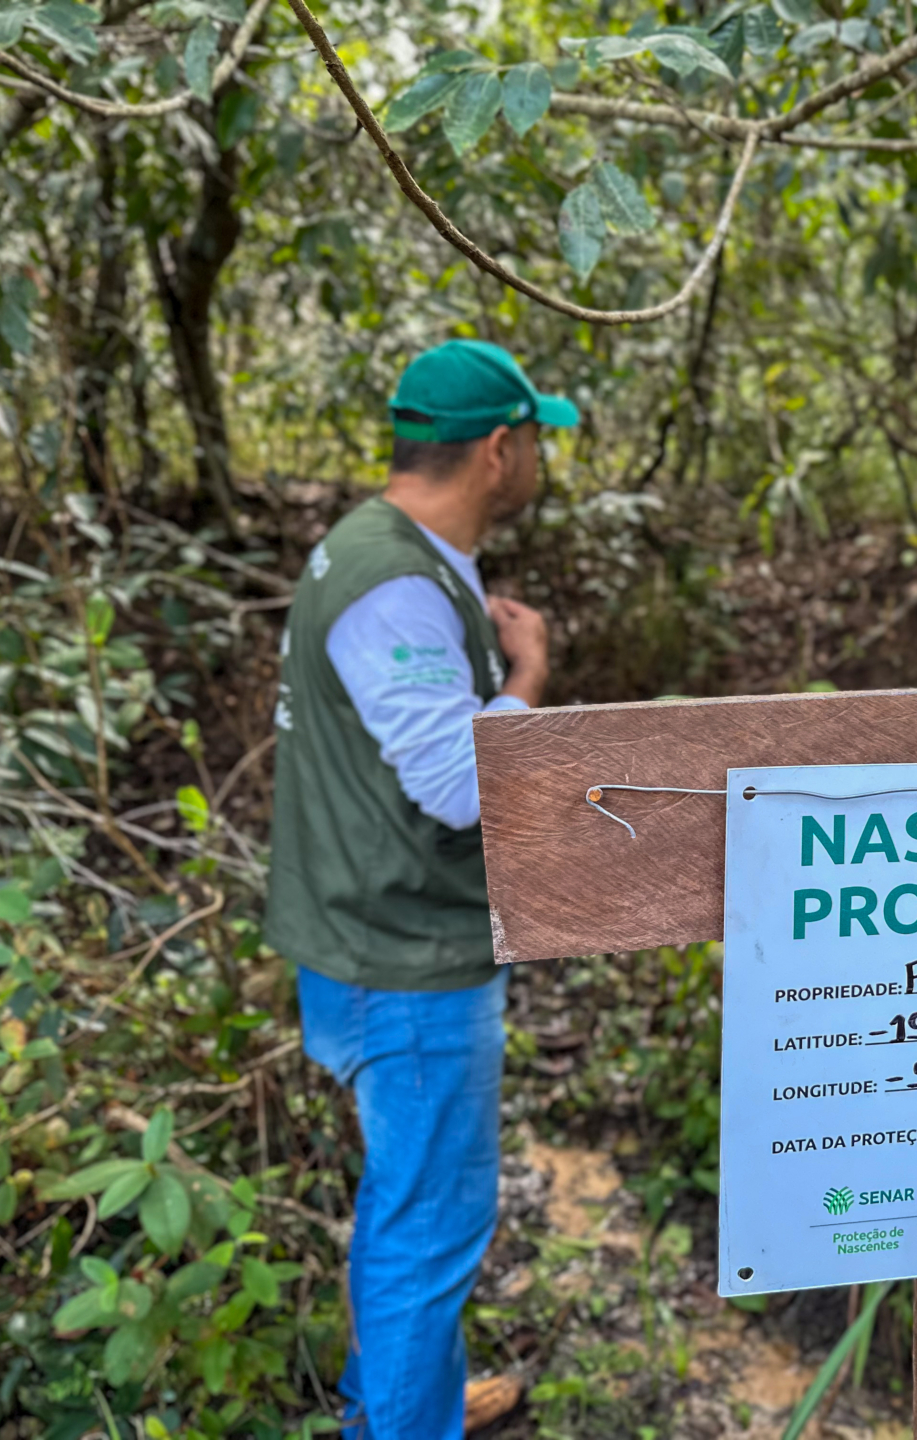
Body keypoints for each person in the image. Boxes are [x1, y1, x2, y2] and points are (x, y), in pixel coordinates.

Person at [266, 339, 576, 1438]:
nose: (539, 458)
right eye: (536, 438)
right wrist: (529, 677)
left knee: (416, 1210)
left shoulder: (393, 553)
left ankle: (415, 1399)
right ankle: (401, 1423)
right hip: (401, 960)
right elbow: (456, 784)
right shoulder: (395, 581)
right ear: (499, 449)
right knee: (430, 1218)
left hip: (375, 934)